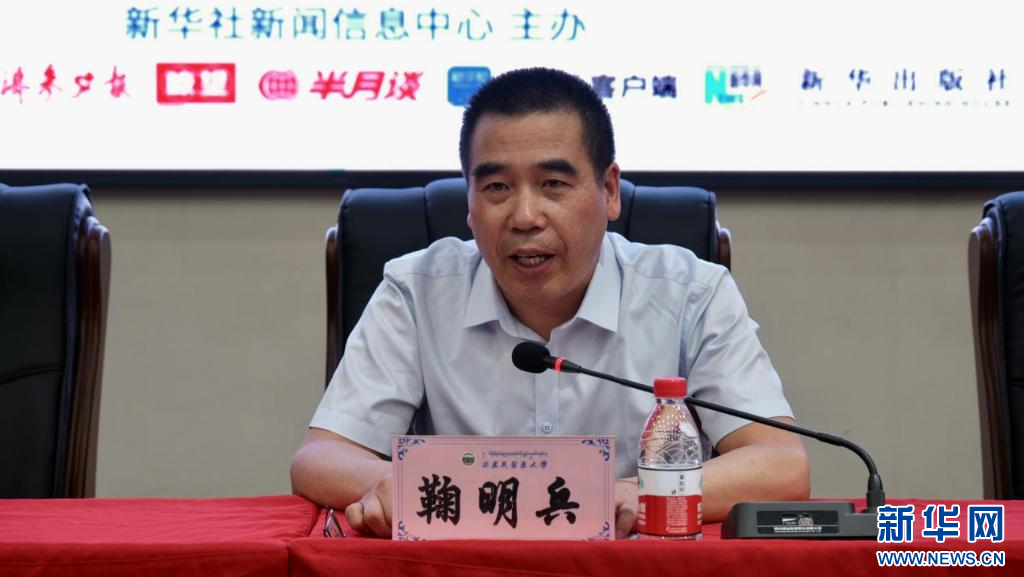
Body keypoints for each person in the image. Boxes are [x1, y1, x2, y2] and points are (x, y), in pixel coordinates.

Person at [291, 67, 809, 539]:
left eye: (553, 184)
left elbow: (781, 465)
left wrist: (636, 494)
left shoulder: (691, 293)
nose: (524, 216)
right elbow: (321, 456)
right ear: (469, 203)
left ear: (609, 191)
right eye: (496, 187)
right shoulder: (416, 291)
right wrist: (396, 483)